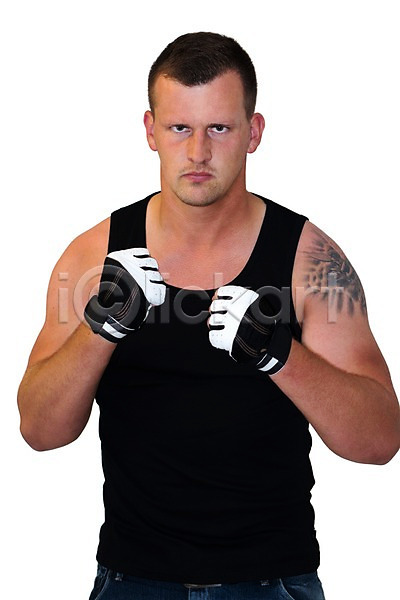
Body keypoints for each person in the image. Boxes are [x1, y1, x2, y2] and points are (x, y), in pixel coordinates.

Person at [17, 32, 399, 600]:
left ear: (254, 132)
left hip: (272, 581)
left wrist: (279, 354)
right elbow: (39, 431)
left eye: (219, 128)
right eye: (180, 128)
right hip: (131, 580)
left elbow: (379, 440)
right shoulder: (92, 257)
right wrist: (102, 329)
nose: (198, 152)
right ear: (151, 131)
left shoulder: (311, 261)